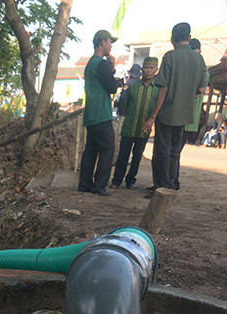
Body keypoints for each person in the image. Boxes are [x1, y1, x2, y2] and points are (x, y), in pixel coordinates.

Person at [143, 22, 208, 194]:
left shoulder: (170, 56)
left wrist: (153, 116)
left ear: (173, 39)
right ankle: (171, 184)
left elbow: (163, 88)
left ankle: (161, 187)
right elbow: (201, 89)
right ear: (189, 38)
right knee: (174, 151)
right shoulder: (198, 59)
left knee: (161, 152)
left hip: (167, 112)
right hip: (185, 113)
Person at [78, 29, 121, 197]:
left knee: (91, 150)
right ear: (102, 42)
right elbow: (111, 86)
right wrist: (112, 67)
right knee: (108, 148)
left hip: (91, 114)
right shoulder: (101, 63)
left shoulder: (91, 63)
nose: (111, 46)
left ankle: (85, 184)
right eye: (110, 42)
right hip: (101, 114)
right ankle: (99, 186)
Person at [111, 57, 159, 189]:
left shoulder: (157, 90)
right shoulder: (132, 87)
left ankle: (131, 181)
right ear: (142, 70)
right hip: (129, 127)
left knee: (137, 157)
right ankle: (116, 181)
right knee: (123, 156)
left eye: (151, 68)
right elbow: (125, 105)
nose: (148, 71)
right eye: (146, 68)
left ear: (156, 70)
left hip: (144, 130)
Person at [183, 38, 209, 145]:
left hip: (187, 115)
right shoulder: (189, 64)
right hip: (185, 117)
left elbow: (200, 89)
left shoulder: (202, 68)